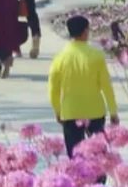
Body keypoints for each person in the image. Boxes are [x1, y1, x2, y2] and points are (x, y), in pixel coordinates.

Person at [48, 15, 119, 158]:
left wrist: (57, 110)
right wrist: (113, 111)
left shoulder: (60, 57)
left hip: (70, 111)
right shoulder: (96, 55)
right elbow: (106, 85)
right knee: (99, 152)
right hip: (95, 111)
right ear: (85, 31)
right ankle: (99, 179)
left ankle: (79, 179)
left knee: (75, 154)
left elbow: (53, 88)